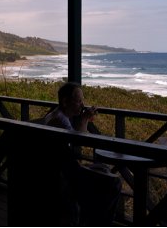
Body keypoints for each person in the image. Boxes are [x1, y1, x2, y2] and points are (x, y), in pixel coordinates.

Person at [44, 82, 122, 226]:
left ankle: (91, 220)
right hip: (62, 174)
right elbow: (79, 140)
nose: (82, 104)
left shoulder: (57, 115)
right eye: (79, 101)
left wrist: (84, 119)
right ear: (65, 101)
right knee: (114, 182)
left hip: (61, 169)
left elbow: (78, 136)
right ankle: (100, 223)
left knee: (104, 169)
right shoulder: (59, 119)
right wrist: (85, 118)